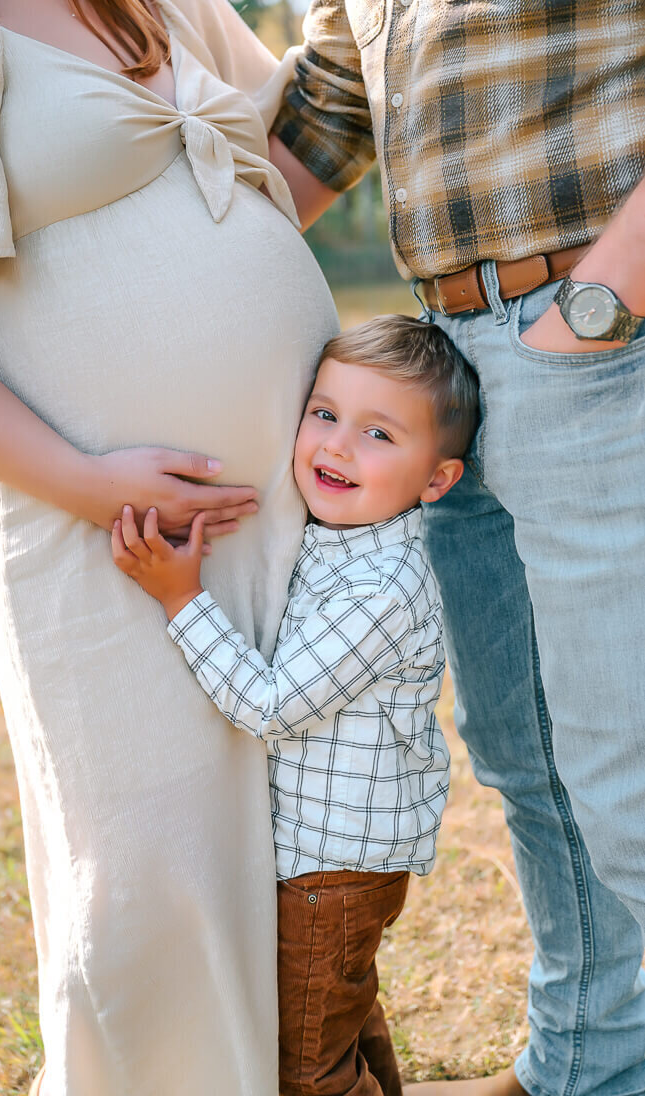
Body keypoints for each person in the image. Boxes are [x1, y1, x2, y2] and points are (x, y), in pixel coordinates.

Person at [0, 0, 339, 1092]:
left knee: (285, 834)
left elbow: (281, 164)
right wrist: (89, 483)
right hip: (88, 513)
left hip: (273, 498)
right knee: (148, 848)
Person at [267, 2, 645, 1093]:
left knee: (625, 773)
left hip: (601, 332)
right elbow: (326, 116)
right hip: (450, 358)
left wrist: (599, 304)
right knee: (525, 747)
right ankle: (588, 1060)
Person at [111, 315, 480, 1096]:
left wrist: (181, 600)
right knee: (341, 1024)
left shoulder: (382, 588)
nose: (337, 447)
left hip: (332, 870)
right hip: (330, 862)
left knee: (304, 1066)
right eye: (324, 413)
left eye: (378, 434)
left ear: (436, 479)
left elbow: (274, 705)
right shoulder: (343, 542)